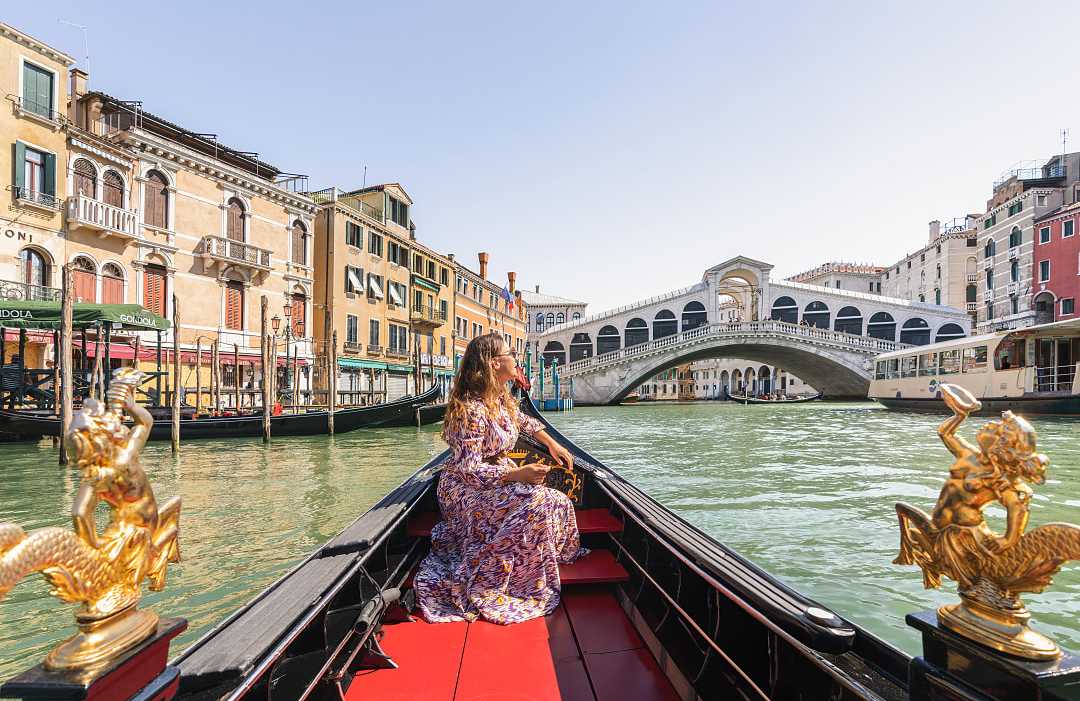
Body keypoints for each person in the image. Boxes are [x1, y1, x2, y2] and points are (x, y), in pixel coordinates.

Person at [414, 333, 586, 624]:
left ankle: (538, 559)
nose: (516, 359)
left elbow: (525, 421)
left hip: (499, 477)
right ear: (495, 363)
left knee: (556, 499)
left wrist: (552, 443)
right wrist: (516, 474)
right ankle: (513, 577)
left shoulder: (501, 398)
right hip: (465, 490)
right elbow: (468, 469)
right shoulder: (469, 410)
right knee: (535, 503)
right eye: (511, 354)